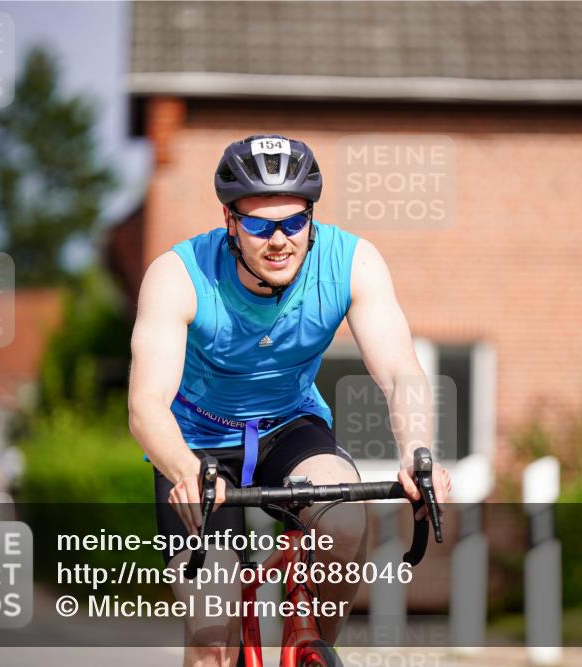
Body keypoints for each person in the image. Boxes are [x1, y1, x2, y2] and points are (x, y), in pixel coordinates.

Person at [128, 134, 451, 666]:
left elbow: (400, 372)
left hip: (289, 426)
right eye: (259, 225)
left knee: (346, 523)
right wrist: (183, 470)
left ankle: (313, 650)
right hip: (196, 445)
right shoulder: (178, 274)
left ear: (311, 217)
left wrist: (418, 454)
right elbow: (146, 405)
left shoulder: (353, 262)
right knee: (212, 638)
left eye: (294, 222)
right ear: (231, 222)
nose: (279, 240)